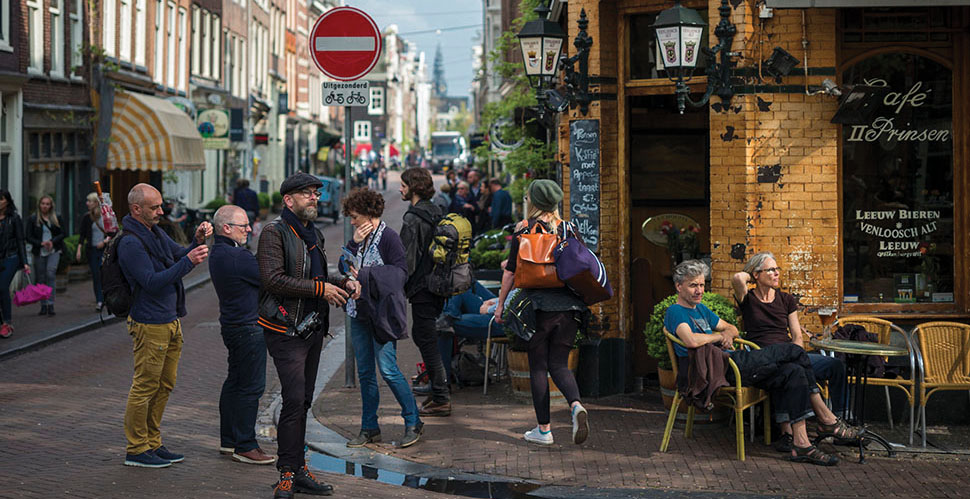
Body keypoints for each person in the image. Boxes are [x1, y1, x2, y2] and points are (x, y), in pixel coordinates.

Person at [665, 260, 861, 466]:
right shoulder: (676, 311)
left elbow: (732, 328)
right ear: (679, 287)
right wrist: (716, 337)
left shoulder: (701, 309)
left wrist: (725, 333)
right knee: (794, 350)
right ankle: (827, 419)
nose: (699, 290)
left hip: (731, 363)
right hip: (724, 368)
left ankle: (801, 444)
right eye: (693, 285)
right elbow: (691, 340)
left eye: (702, 285)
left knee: (794, 371)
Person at [257, 172, 350, 498]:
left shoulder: (313, 234)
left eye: (316, 193)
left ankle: (299, 468)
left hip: (311, 328)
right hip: (285, 329)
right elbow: (273, 280)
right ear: (288, 200)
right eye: (308, 193)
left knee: (305, 401)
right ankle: (286, 472)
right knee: (294, 400)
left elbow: (319, 276)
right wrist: (321, 289)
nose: (315, 198)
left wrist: (342, 282)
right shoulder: (274, 233)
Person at [119, 183, 213, 468]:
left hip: (170, 319)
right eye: (155, 207)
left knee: (164, 384)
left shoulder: (154, 232)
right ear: (137, 209)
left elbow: (178, 255)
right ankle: (136, 449)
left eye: (160, 205)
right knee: (145, 386)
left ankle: (152, 442)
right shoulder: (130, 243)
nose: (161, 211)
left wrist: (196, 240)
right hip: (150, 322)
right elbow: (151, 282)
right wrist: (188, 261)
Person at [494, 180, 590, 446]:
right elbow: (583, 265)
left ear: (533, 201)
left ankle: (544, 430)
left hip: (538, 308)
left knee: (538, 366)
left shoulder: (525, 230)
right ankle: (575, 405)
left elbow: (510, 272)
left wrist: (501, 305)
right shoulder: (569, 229)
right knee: (559, 364)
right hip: (569, 307)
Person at [732, 251, 852, 452]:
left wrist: (796, 353)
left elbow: (797, 335)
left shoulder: (786, 299)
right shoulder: (748, 299)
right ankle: (795, 430)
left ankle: (841, 419)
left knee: (835, 365)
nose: (777, 273)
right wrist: (752, 274)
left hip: (791, 353)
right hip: (764, 357)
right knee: (788, 371)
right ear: (756, 275)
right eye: (771, 270)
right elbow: (738, 278)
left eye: (777, 269)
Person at [341, 188, 424, 449]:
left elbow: (400, 274)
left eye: (354, 216)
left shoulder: (389, 238)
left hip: (382, 315)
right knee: (365, 372)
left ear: (368, 213)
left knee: (388, 369)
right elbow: (344, 266)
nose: (352, 221)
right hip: (359, 313)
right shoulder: (359, 237)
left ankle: (413, 421)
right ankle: (369, 427)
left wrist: (364, 275)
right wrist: (353, 243)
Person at [209, 205, 276, 466]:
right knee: (251, 386)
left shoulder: (219, 252)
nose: (249, 229)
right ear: (227, 228)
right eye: (243, 225)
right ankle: (245, 444)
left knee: (235, 382)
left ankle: (229, 440)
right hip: (248, 328)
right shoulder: (239, 257)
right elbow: (269, 279)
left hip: (232, 326)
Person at [399, 167, 451, 416]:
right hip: (439, 284)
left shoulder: (413, 218)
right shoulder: (437, 210)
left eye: (403, 185)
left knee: (426, 339)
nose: (400, 189)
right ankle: (435, 388)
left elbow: (406, 260)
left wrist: (396, 286)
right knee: (423, 335)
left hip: (422, 287)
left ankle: (441, 396)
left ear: (413, 187)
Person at [26, 196, 65, 316]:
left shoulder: (56, 217)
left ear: (51, 205)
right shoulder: (33, 219)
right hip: (40, 251)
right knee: (41, 277)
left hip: (53, 250)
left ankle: (50, 303)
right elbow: (28, 236)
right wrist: (41, 243)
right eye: (43, 203)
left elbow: (63, 232)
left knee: (50, 273)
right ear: (39, 205)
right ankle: (43, 305)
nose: (45, 206)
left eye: (47, 204)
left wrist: (52, 241)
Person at [0, 189, 29, 339]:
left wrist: (25, 262)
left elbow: (20, 240)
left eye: (1, 199)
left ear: (7, 201)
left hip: (11, 257)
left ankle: (7, 322)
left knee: (3, 287)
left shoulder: (14, 218)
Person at [77, 192, 108, 310]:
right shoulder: (87, 217)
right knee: (96, 275)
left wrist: (104, 242)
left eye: (89, 201)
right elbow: (82, 234)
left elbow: (113, 232)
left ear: (96, 203)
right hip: (92, 250)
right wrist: (79, 249)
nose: (87, 203)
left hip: (104, 250)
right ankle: (99, 300)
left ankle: (106, 297)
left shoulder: (105, 216)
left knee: (104, 274)